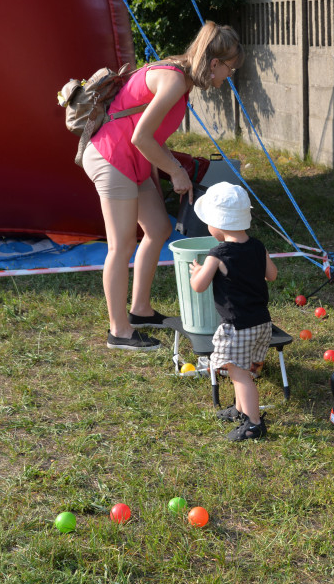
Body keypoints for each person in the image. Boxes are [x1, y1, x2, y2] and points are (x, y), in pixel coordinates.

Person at [82, 21, 243, 351]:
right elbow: (141, 136)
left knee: (157, 229)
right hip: (112, 157)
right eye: (230, 68)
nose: (229, 76)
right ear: (214, 63)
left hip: (133, 160)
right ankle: (119, 331)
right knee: (121, 245)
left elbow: (149, 137)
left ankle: (140, 310)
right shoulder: (173, 80)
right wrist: (176, 172)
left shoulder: (181, 78)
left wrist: (172, 169)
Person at [188, 182, 278, 441]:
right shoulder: (258, 246)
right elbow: (272, 275)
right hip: (262, 323)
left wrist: (197, 272)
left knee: (239, 375)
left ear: (218, 223)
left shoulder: (218, 254)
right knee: (241, 368)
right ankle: (240, 410)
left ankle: (253, 424)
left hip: (237, 326)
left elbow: (198, 286)